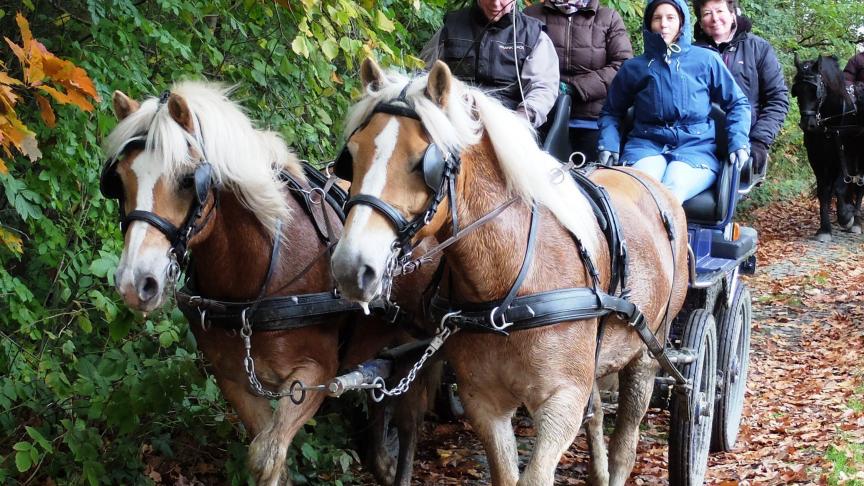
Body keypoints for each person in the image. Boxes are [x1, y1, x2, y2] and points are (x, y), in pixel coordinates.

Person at [597, 0, 751, 203]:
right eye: (657, 18)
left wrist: (738, 142)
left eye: (671, 18)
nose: (664, 24)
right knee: (641, 191)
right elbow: (611, 111)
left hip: (696, 148)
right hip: (645, 145)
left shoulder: (706, 60)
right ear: (648, 23)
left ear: (682, 22)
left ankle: (667, 234)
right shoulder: (634, 68)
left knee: (672, 189)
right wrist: (608, 143)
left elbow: (738, 104)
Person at [421, 0, 560, 129]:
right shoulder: (451, 26)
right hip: (453, 119)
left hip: (507, 124)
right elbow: (423, 73)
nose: (495, 4)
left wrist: (521, 118)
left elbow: (543, 88)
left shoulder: (533, 35)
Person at [524, 0, 633, 162]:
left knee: (592, 179)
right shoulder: (531, 15)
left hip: (592, 119)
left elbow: (622, 65)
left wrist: (576, 88)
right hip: (543, 116)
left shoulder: (608, 18)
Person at [693, 0, 789, 177]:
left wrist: (759, 141)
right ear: (700, 22)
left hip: (744, 141)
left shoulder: (758, 48)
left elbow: (777, 99)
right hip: (697, 143)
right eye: (707, 13)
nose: (714, 18)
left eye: (720, 11)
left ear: (732, 14)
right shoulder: (690, 54)